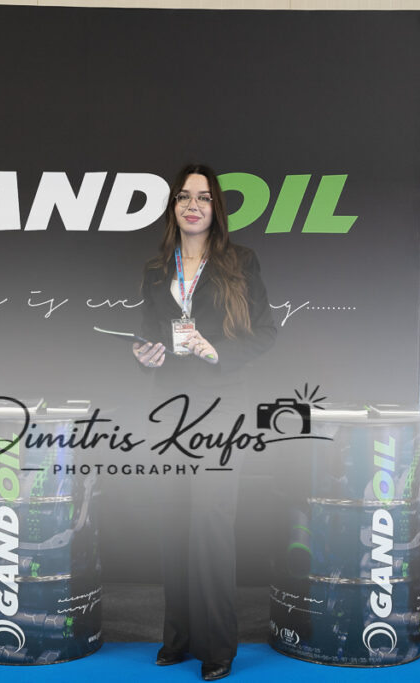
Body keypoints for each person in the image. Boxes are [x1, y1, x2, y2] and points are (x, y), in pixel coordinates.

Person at [131, 164, 276, 681]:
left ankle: (218, 646)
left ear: (217, 208)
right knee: (174, 519)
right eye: (184, 197)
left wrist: (217, 353)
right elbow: (148, 334)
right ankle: (178, 638)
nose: (193, 205)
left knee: (211, 522)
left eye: (204, 197)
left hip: (221, 406)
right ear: (173, 207)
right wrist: (144, 354)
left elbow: (266, 333)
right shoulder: (155, 269)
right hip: (169, 408)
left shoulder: (240, 261)